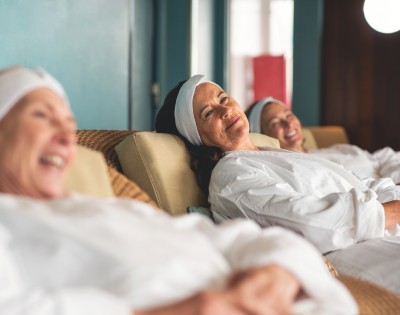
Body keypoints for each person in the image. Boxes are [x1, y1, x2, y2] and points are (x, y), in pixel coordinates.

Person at [0, 66, 357, 315]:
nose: (66, 138)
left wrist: (279, 272)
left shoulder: (113, 208)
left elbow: (240, 239)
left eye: (68, 123)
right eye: (42, 117)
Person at [155, 74, 400, 294]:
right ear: (198, 138)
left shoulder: (273, 152)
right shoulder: (230, 177)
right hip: (343, 255)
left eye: (223, 98)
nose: (225, 111)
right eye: (208, 114)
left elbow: (362, 182)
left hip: (382, 227)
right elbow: (306, 222)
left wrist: (394, 200)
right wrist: (388, 212)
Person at [246, 97, 400, 184]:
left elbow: (384, 157)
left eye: (288, 115)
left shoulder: (339, 148)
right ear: (263, 135)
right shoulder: (293, 169)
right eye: (275, 123)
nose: (288, 124)